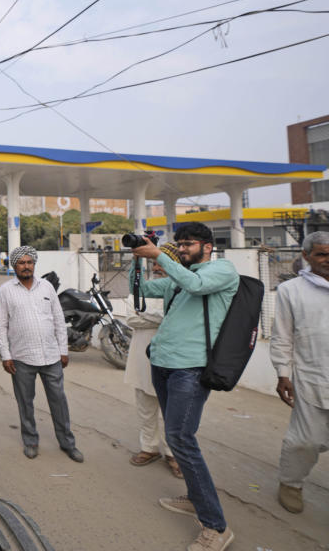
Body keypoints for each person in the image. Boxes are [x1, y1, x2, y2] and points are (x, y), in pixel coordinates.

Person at [132, 222, 238, 551]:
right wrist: (137, 259)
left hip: (190, 369)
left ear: (207, 246)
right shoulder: (178, 276)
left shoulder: (221, 270)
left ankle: (215, 526)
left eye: (188, 244)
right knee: (177, 436)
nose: (181, 249)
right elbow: (142, 292)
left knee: (180, 437)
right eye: (178, 244)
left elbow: (196, 284)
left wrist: (163, 258)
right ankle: (195, 497)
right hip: (162, 364)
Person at [0, 246, 83, 463]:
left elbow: (59, 320)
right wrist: (6, 355)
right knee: (26, 402)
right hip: (22, 358)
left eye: (30, 262)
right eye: (22, 263)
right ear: (15, 266)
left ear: (34, 264)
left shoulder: (47, 287)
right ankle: (31, 441)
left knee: (59, 401)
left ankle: (67, 443)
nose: (26, 266)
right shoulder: (5, 290)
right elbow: (1, 325)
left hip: (51, 356)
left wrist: (63, 350)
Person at [270, 231, 329, 514]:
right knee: (307, 440)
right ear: (306, 256)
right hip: (312, 376)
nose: (328, 259)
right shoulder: (290, 290)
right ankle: (291, 483)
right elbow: (282, 336)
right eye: (321, 254)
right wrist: (283, 373)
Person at [124, 242, 183, 479]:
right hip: (142, 356)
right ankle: (149, 448)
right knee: (146, 408)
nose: (157, 266)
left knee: (173, 411)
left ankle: (173, 453)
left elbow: (176, 317)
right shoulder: (142, 286)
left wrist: (148, 315)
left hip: (171, 358)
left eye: (161, 262)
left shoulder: (181, 286)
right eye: (155, 262)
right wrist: (164, 317)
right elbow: (131, 318)